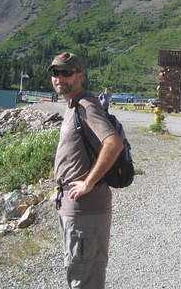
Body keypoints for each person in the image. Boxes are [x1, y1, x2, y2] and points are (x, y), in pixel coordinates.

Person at [50, 52, 124, 289]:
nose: (59, 77)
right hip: (73, 207)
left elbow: (113, 143)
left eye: (66, 72)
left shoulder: (86, 105)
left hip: (86, 208)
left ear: (79, 75)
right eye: (55, 72)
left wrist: (88, 182)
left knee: (84, 278)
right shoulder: (73, 106)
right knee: (77, 270)